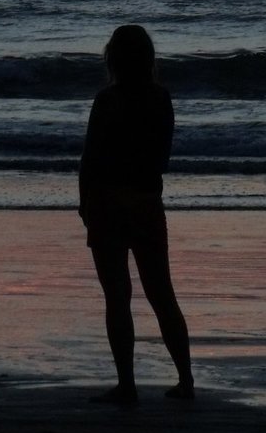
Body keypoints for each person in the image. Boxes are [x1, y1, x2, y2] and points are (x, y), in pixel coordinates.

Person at [78, 24, 194, 404]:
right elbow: (162, 157)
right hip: (146, 201)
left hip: (108, 201)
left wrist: (86, 204)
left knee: (117, 296)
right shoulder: (160, 99)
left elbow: (90, 158)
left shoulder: (107, 100)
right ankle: (185, 378)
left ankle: (127, 383)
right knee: (162, 294)